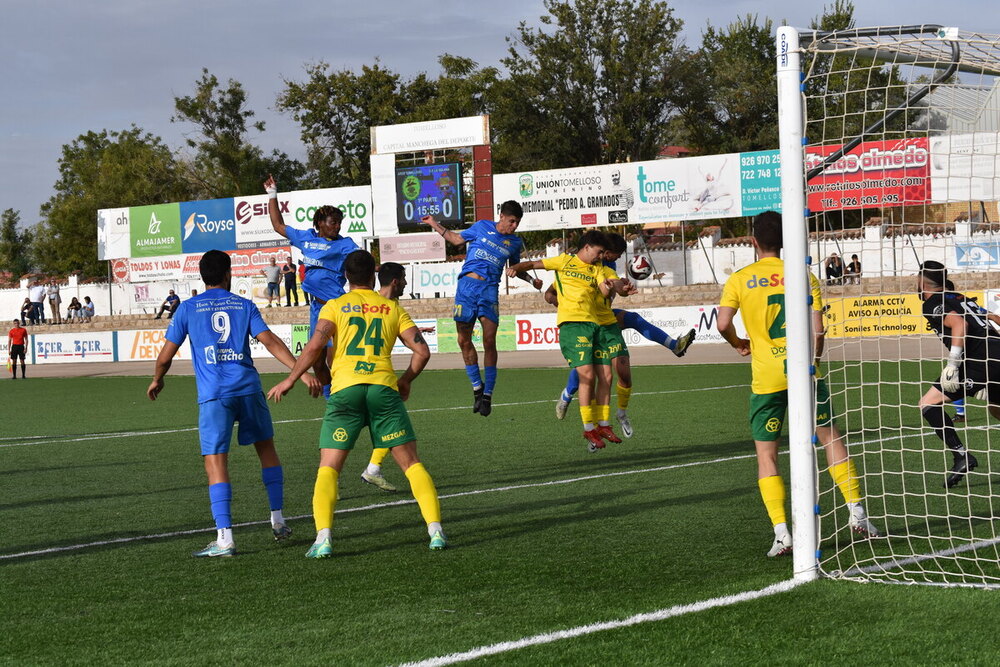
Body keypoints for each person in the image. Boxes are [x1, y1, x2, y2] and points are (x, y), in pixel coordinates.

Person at [716, 210, 879, 558]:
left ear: (753, 241)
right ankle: (858, 514)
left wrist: (738, 344)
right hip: (802, 369)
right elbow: (819, 329)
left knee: (767, 454)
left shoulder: (740, 279)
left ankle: (782, 533)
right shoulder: (803, 275)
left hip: (766, 377)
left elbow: (722, 323)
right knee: (830, 437)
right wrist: (814, 361)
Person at [267, 250, 447, 557]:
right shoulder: (392, 308)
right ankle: (436, 532)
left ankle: (323, 538)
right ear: (373, 277)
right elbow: (423, 352)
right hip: (382, 389)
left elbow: (315, 346)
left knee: (329, 469)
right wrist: (405, 381)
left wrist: (291, 378)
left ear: (345, 276)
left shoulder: (334, 306)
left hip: (346, 391)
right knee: (412, 465)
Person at [147, 250, 321, 558]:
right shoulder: (244, 305)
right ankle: (278, 520)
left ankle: (225, 537)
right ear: (229, 274)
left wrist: (157, 379)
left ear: (203, 277)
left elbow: (166, 355)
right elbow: (270, 341)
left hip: (215, 394)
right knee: (266, 448)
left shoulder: (187, 308)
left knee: (215, 460)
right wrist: (300, 373)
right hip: (248, 388)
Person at [552, 233, 697, 436]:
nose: (618, 258)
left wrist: (622, 287)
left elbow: (617, 287)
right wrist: (567, 305)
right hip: (585, 323)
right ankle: (567, 395)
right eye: (616, 254)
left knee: (626, 364)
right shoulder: (578, 266)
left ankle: (674, 345)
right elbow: (550, 293)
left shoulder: (606, 268)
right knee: (586, 371)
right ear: (605, 251)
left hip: (606, 320)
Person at [508, 230, 633, 451]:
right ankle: (588, 428)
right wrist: (516, 268)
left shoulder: (597, 269)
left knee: (605, 375)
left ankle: (603, 424)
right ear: (587, 248)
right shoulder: (564, 261)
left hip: (594, 326)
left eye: (604, 252)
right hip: (572, 325)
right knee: (586, 376)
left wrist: (619, 287)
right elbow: (535, 264)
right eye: (599, 251)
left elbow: (608, 289)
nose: (601, 256)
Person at [422, 202, 543, 417]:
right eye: (511, 221)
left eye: (517, 223)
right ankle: (477, 388)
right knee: (463, 340)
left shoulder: (514, 243)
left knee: (489, 341)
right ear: (501, 216)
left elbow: (515, 268)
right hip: (466, 289)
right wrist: (434, 224)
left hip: (489, 291)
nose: (514, 226)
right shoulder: (481, 227)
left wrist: (531, 281)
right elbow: (457, 240)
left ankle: (488, 395)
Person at [265, 174, 358, 397]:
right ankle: (332, 397)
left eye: (339, 223)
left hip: (336, 307)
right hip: (316, 308)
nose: (337, 226)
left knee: (333, 360)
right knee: (317, 364)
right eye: (332, 222)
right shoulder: (306, 238)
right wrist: (272, 194)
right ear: (319, 223)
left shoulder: (345, 244)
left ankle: (344, 397)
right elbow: (278, 225)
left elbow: (364, 263)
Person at [916, 261, 1000, 488]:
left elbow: (959, 325)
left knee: (927, 404)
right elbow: (992, 319)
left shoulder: (933, 302)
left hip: (982, 362)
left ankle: (961, 456)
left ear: (921, 282)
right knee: (996, 409)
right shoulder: (959, 297)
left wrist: (952, 365)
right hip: (994, 353)